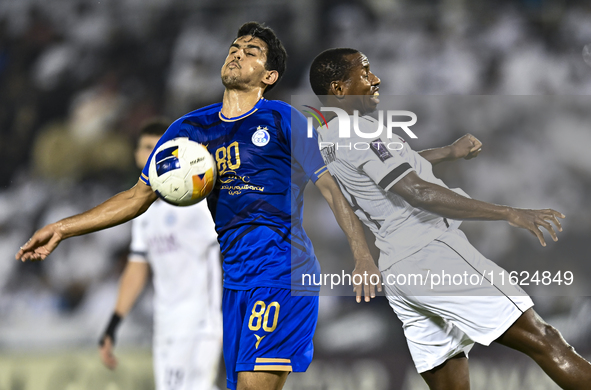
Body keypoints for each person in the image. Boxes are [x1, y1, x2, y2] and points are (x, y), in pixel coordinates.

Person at [16, 23, 380, 390]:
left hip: (282, 272)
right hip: (235, 281)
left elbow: (331, 187)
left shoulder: (283, 119)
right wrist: (63, 227)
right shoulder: (190, 129)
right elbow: (135, 198)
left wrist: (362, 254)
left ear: (269, 76)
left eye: (251, 51)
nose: (237, 53)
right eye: (235, 47)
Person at [309, 48, 591, 390]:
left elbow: (390, 169)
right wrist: (509, 213)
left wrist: (447, 152)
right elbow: (416, 191)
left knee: (450, 386)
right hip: (432, 252)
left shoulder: (329, 138)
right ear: (339, 89)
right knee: (545, 339)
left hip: (400, 271)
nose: (375, 79)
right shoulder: (362, 133)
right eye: (364, 73)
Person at [98, 119, 222, 390]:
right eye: (146, 148)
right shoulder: (144, 214)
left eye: (159, 148)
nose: (151, 154)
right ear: (136, 156)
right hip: (166, 322)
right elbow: (137, 268)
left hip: (200, 321)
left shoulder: (197, 204)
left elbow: (229, 252)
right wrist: (113, 324)